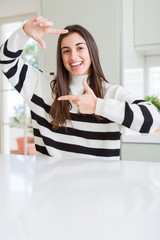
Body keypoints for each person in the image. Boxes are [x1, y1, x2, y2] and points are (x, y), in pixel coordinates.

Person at [0, 16, 160, 160]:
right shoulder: (39, 86)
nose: (73, 56)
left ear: (92, 51)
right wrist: (23, 34)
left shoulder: (111, 93)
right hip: (50, 190)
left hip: (102, 191)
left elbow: (152, 122)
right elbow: (5, 61)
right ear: (61, 57)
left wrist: (98, 106)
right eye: (66, 51)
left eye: (80, 48)